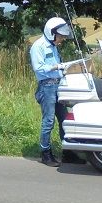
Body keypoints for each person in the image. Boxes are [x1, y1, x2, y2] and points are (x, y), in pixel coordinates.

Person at [29, 16, 72, 167]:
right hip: (46, 86)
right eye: (60, 36)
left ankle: (69, 152)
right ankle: (45, 153)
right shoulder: (38, 46)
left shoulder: (53, 47)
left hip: (58, 85)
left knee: (65, 120)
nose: (62, 39)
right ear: (51, 33)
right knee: (48, 121)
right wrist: (56, 67)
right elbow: (38, 68)